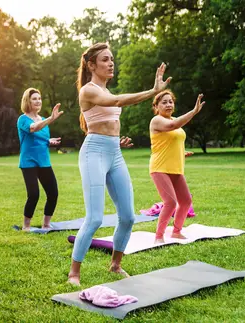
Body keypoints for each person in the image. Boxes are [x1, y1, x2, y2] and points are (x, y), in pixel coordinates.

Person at [68, 42, 172, 285]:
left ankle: (115, 265)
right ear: (91, 65)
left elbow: (109, 118)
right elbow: (115, 102)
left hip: (114, 153)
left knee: (128, 217)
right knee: (94, 218)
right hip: (93, 153)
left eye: (112, 58)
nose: (111, 63)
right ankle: (74, 272)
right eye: (105, 59)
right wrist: (152, 91)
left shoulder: (104, 91)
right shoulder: (88, 90)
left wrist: (116, 141)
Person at [149, 90, 205, 243]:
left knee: (186, 200)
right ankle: (159, 236)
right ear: (156, 106)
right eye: (164, 102)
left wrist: (181, 152)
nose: (168, 104)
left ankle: (176, 231)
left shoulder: (173, 119)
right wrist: (193, 112)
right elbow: (173, 125)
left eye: (171, 101)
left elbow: (171, 140)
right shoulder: (157, 120)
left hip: (175, 168)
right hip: (160, 168)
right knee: (170, 202)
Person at [17, 88, 63, 231]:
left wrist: (49, 141)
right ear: (28, 101)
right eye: (34, 99)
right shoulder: (22, 119)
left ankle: (46, 224)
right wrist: (51, 119)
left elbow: (40, 138)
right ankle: (26, 226)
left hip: (44, 161)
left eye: (39, 98)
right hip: (28, 162)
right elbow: (33, 129)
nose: (38, 101)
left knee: (53, 193)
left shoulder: (43, 120)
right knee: (33, 194)